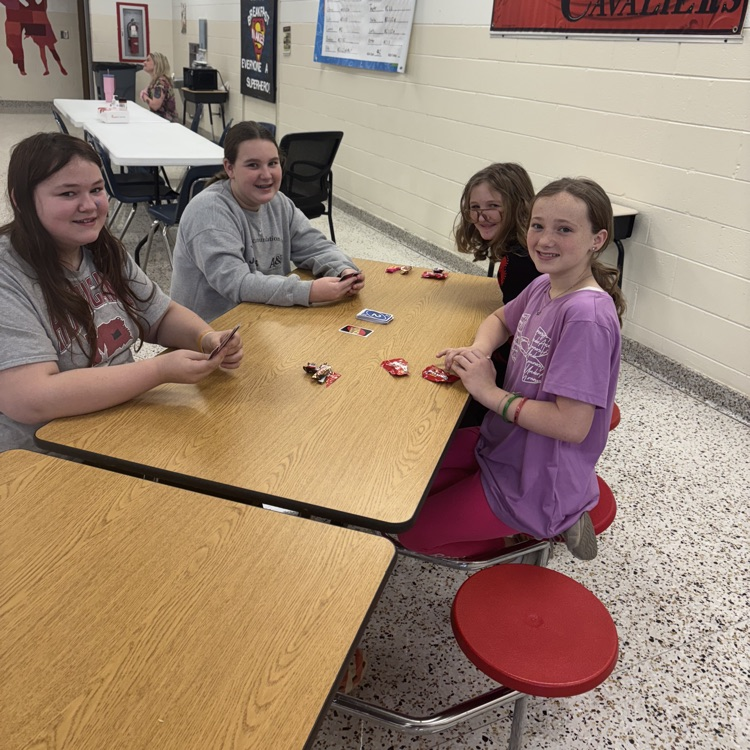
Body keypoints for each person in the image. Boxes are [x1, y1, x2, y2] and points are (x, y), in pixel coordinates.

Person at [398, 177, 626, 561]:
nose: (544, 240)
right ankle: (554, 511)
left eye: (564, 229)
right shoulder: (546, 284)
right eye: (538, 225)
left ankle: (539, 528)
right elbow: (500, 319)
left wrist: (489, 392)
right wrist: (477, 353)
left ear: (597, 240)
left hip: (537, 478)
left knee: (410, 533)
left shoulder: (586, 318)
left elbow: (571, 425)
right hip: (504, 445)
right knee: (407, 480)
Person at [0, 132, 244, 454]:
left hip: (118, 428)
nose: (89, 205)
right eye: (68, 193)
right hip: (40, 458)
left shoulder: (100, 249)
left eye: (96, 190)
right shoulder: (9, 273)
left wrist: (206, 338)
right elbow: (29, 398)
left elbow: (160, 316)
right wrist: (159, 370)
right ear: (21, 200)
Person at [170, 121, 364, 321]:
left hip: (262, 318)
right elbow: (236, 283)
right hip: (207, 333)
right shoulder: (208, 211)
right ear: (230, 168)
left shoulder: (279, 202)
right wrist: (309, 291)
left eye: (272, 163)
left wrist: (344, 270)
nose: (266, 174)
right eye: (253, 165)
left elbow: (316, 246)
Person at [454, 163, 540, 426]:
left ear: (517, 206)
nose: (481, 216)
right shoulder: (514, 252)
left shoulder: (522, 260)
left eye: (492, 206)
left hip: (524, 382)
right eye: (475, 207)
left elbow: (524, 333)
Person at [139, 51, 177, 122]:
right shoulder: (157, 81)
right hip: (161, 120)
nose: (144, 62)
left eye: (148, 60)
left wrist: (144, 96)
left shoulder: (160, 82)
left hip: (165, 123)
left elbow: (155, 106)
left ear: (156, 64)